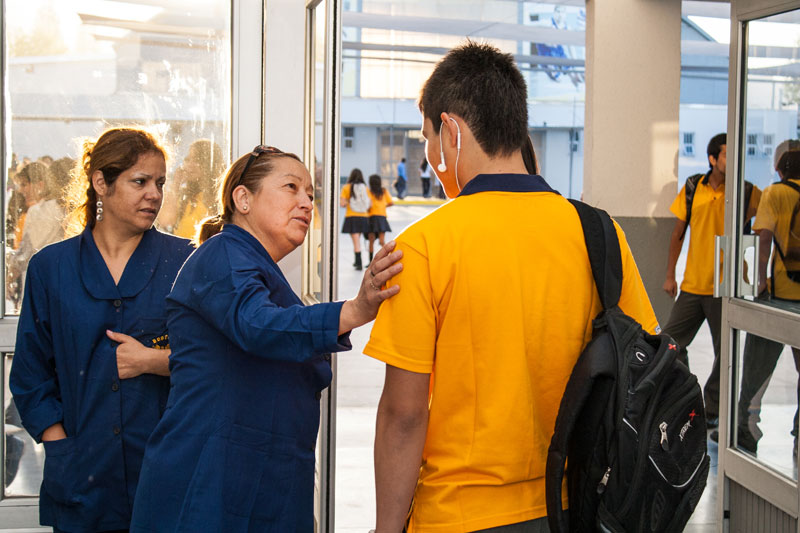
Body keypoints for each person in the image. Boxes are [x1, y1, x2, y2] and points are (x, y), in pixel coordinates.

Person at [364, 41, 658, 533]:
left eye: (428, 141)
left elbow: (404, 415)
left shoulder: (423, 247)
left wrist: (386, 528)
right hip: (573, 506)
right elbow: (641, 364)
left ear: (451, 131)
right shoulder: (599, 233)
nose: (430, 159)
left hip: (459, 515)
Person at [129, 146, 403, 533]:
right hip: (211, 483)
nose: (307, 202)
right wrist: (355, 310)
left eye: (311, 193)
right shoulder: (222, 254)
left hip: (254, 480)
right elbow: (258, 325)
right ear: (243, 199)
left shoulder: (255, 267)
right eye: (291, 187)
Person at [9, 127, 194, 532]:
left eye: (160, 183)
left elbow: (214, 361)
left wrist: (155, 361)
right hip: (81, 474)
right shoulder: (51, 268)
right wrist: (58, 444)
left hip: (165, 471)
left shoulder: (186, 262)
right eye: (140, 181)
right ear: (100, 183)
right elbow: (29, 374)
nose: (154, 194)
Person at [661, 133, 761, 428]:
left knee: (725, 352)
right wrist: (670, 274)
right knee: (670, 343)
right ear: (713, 159)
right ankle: (684, 396)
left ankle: (713, 408)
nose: (732, 160)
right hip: (693, 284)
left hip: (725, 286)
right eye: (727, 155)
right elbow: (678, 234)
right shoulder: (694, 187)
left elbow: (762, 229)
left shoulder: (746, 191)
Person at [723, 139, 800, 455]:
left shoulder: (775, 193)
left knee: (756, 371)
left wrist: (761, 282)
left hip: (780, 295)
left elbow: (764, 236)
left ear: (780, 167)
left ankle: (744, 430)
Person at [160, 139, 225, 238]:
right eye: (187, 159)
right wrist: (175, 185)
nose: (189, 165)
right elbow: (166, 221)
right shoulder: (186, 195)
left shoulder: (219, 196)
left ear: (208, 164)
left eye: (196, 160)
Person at [340, 167, 371, 270]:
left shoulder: (346, 187)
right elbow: (369, 203)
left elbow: (342, 203)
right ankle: (363, 261)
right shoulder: (365, 188)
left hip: (352, 217)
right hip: (364, 217)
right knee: (361, 240)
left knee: (356, 242)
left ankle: (358, 262)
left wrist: (348, 202)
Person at [365, 173, 393, 265]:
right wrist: (383, 207)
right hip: (381, 217)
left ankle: (370, 262)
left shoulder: (369, 191)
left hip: (371, 217)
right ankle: (386, 260)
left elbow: (367, 204)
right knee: (382, 241)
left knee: (371, 240)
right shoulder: (383, 191)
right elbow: (391, 202)